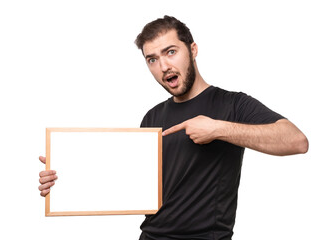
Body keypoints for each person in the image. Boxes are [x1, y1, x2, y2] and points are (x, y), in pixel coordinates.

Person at [38, 16, 308, 240]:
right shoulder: (152, 116)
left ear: (192, 49)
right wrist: (67, 176)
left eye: (170, 52)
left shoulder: (232, 104)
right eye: (152, 59)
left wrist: (217, 129)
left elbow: (296, 141)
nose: (163, 65)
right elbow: (131, 185)